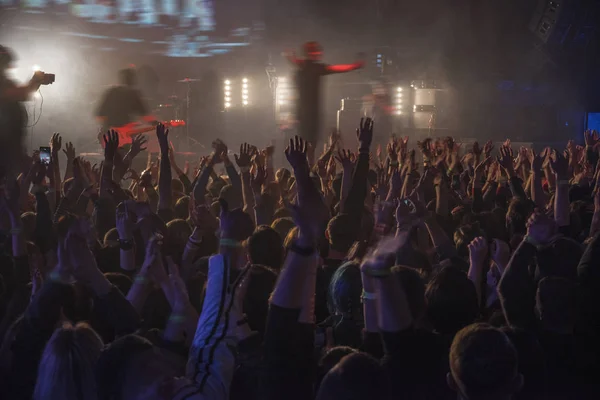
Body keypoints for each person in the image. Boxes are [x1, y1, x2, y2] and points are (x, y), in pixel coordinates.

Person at [283, 41, 363, 147]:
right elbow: (336, 69)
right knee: (309, 142)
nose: (319, 53)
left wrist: (289, 55)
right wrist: (353, 66)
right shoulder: (313, 68)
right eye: (316, 51)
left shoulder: (304, 66)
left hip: (303, 111)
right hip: (310, 112)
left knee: (305, 142)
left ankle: (305, 161)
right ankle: (308, 162)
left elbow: (295, 61)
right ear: (311, 53)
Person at [0, 45, 47, 173]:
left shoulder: (5, 81)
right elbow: (18, 94)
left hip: (11, 145)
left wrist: (35, 83)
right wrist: (35, 81)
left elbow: (23, 94)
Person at [95, 67, 156, 145]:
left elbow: (99, 114)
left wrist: (107, 128)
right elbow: (146, 116)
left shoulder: (111, 92)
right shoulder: (133, 94)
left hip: (113, 136)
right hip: (121, 137)